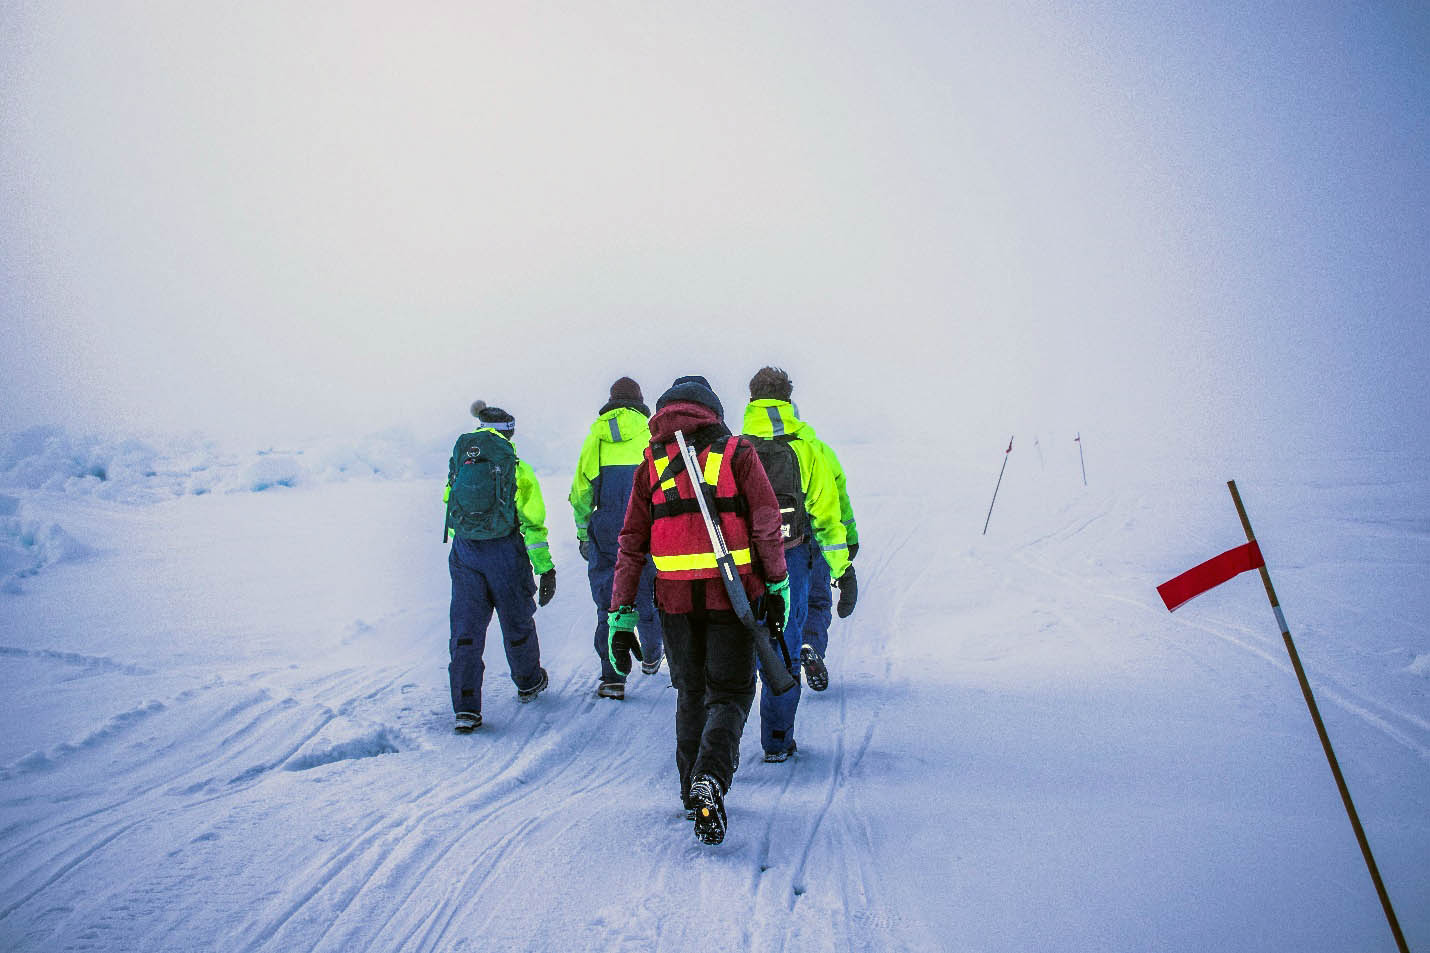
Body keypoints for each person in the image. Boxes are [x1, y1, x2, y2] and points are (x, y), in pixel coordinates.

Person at [608, 375, 788, 845]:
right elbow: (767, 523)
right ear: (713, 410)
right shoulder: (737, 454)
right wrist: (777, 583)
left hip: (673, 602)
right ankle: (712, 779)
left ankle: (693, 793)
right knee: (729, 693)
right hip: (732, 598)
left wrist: (621, 610)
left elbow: (630, 543)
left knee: (690, 693)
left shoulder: (651, 462)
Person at [739, 367, 857, 762]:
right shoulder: (808, 447)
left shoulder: (734, 448)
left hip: (743, 561)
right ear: (789, 398)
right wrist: (843, 568)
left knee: (739, 643)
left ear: (752, 398)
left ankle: (717, 751)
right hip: (793, 555)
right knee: (784, 647)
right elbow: (827, 515)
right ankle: (776, 740)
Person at [443, 401, 556, 733]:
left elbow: (450, 505)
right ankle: (528, 682)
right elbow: (532, 522)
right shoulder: (516, 466)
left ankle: (466, 707)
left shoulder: (464, 458)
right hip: (505, 551)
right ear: (510, 432)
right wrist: (544, 566)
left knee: (466, 629)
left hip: (465, 552)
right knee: (516, 619)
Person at [569, 377, 664, 700]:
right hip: (647, 529)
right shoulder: (651, 434)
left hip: (607, 530)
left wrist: (584, 533)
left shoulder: (595, 438)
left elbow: (580, 493)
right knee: (650, 596)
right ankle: (652, 655)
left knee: (609, 604)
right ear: (639, 402)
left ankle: (612, 678)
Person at [796, 408, 860, 693]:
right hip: (816, 535)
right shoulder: (821, 450)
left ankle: (778, 655)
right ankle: (811, 644)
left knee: (778, 598)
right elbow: (839, 498)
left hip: (774, 538)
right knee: (818, 599)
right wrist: (850, 539)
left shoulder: (756, 449)